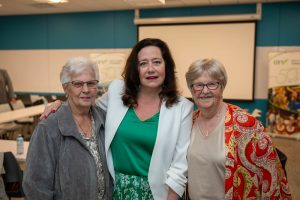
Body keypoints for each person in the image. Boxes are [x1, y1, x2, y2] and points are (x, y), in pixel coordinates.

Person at [41, 38, 194, 199]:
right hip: (116, 190)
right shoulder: (117, 91)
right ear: (135, 69)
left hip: (158, 193)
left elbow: (179, 167)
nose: (150, 69)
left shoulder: (182, 108)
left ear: (166, 67)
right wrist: (60, 104)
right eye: (143, 63)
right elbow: (87, 107)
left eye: (157, 62)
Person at [185, 58, 292, 199]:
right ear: (191, 89)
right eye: (198, 85)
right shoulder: (188, 123)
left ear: (222, 86)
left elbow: (271, 177)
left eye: (212, 84)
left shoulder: (247, 125)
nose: (205, 91)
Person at [22, 57, 113, 200]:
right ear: (65, 88)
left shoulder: (105, 119)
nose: (86, 90)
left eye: (91, 83)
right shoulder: (48, 127)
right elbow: (35, 186)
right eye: (78, 84)